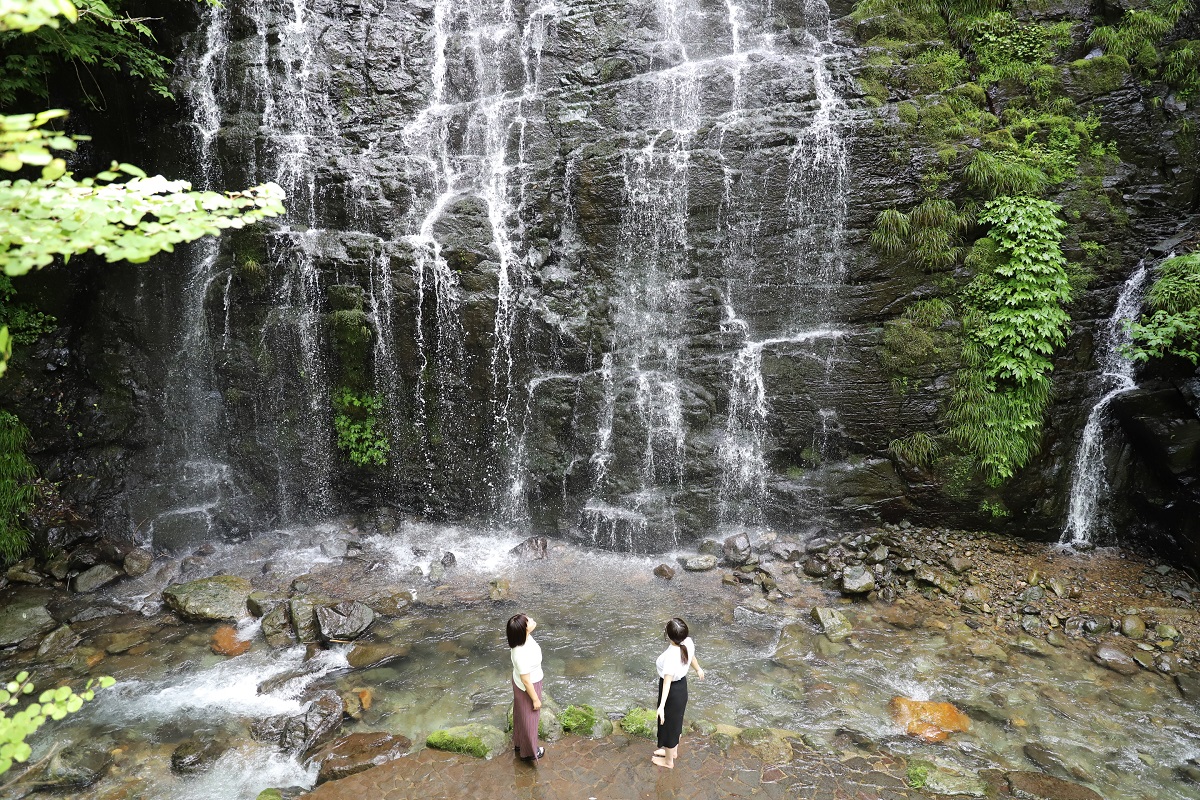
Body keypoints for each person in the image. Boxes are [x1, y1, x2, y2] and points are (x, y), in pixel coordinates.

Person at [652, 617, 704, 769]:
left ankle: (668, 762)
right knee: (676, 723)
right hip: (682, 688)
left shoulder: (671, 656)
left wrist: (661, 706)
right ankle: (672, 752)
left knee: (668, 727)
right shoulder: (687, 641)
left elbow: (667, 682)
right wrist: (698, 669)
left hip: (671, 692)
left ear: (668, 636)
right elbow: (692, 656)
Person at [507, 613, 544, 762]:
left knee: (521, 714)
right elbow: (526, 680)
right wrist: (535, 699)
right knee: (530, 719)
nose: (532, 620)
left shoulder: (521, 640)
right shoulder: (521, 653)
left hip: (520, 683)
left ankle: (519, 743)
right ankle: (529, 752)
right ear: (524, 630)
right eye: (529, 621)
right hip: (528, 686)